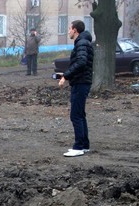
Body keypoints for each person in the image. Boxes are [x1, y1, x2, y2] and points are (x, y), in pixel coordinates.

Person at [57, 20, 94, 157]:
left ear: (75, 30)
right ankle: (84, 145)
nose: (68, 31)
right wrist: (65, 74)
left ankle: (78, 147)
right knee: (80, 114)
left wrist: (66, 76)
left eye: (69, 28)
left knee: (75, 115)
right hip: (81, 81)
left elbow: (81, 62)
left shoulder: (82, 43)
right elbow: (81, 63)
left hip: (81, 83)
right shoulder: (83, 42)